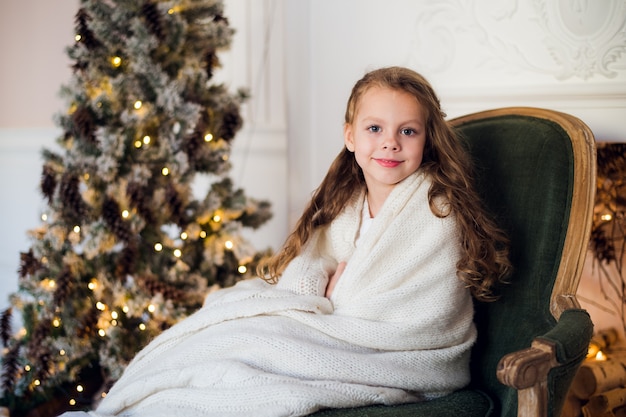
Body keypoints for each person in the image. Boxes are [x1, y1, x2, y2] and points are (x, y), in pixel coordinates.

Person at [62, 66, 510, 417]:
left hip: (396, 353)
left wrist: (343, 295)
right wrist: (319, 284)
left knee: (249, 352)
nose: (390, 143)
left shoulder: (437, 212)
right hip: (330, 326)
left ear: (427, 139)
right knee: (220, 331)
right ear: (350, 135)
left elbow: (416, 310)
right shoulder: (348, 201)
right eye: (375, 129)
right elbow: (313, 263)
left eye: (407, 131)